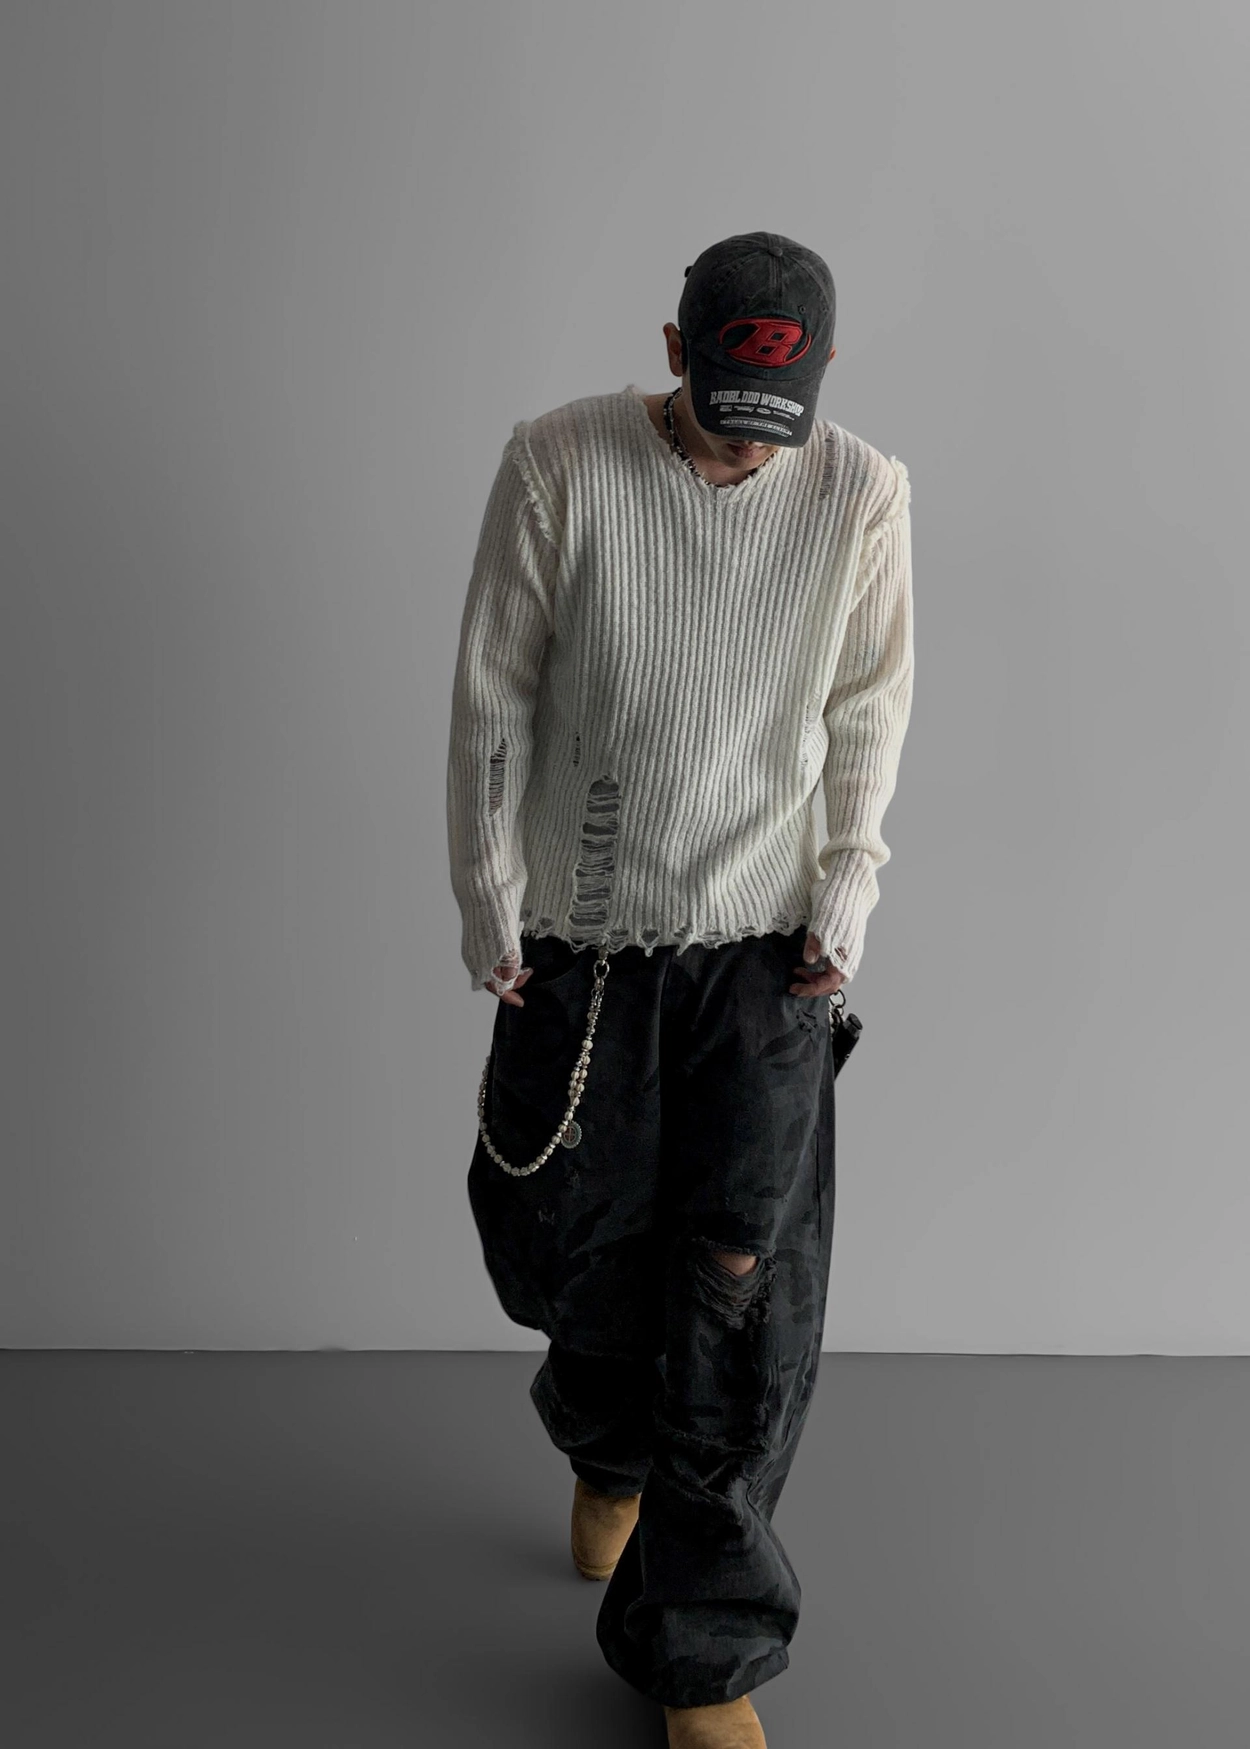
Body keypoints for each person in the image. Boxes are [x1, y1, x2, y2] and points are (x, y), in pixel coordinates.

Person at [445, 231, 914, 1749]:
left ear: (822, 380)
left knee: (741, 1290)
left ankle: (700, 1643)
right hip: (583, 941)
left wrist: (848, 891)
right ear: (672, 350)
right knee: (569, 1254)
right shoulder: (557, 464)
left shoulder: (861, 492)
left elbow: (868, 708)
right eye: (720, 410)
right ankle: (608, 1448)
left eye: (774, 421)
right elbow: (495, 691)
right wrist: (490, 898)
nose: (743, 449)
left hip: (769, 951)